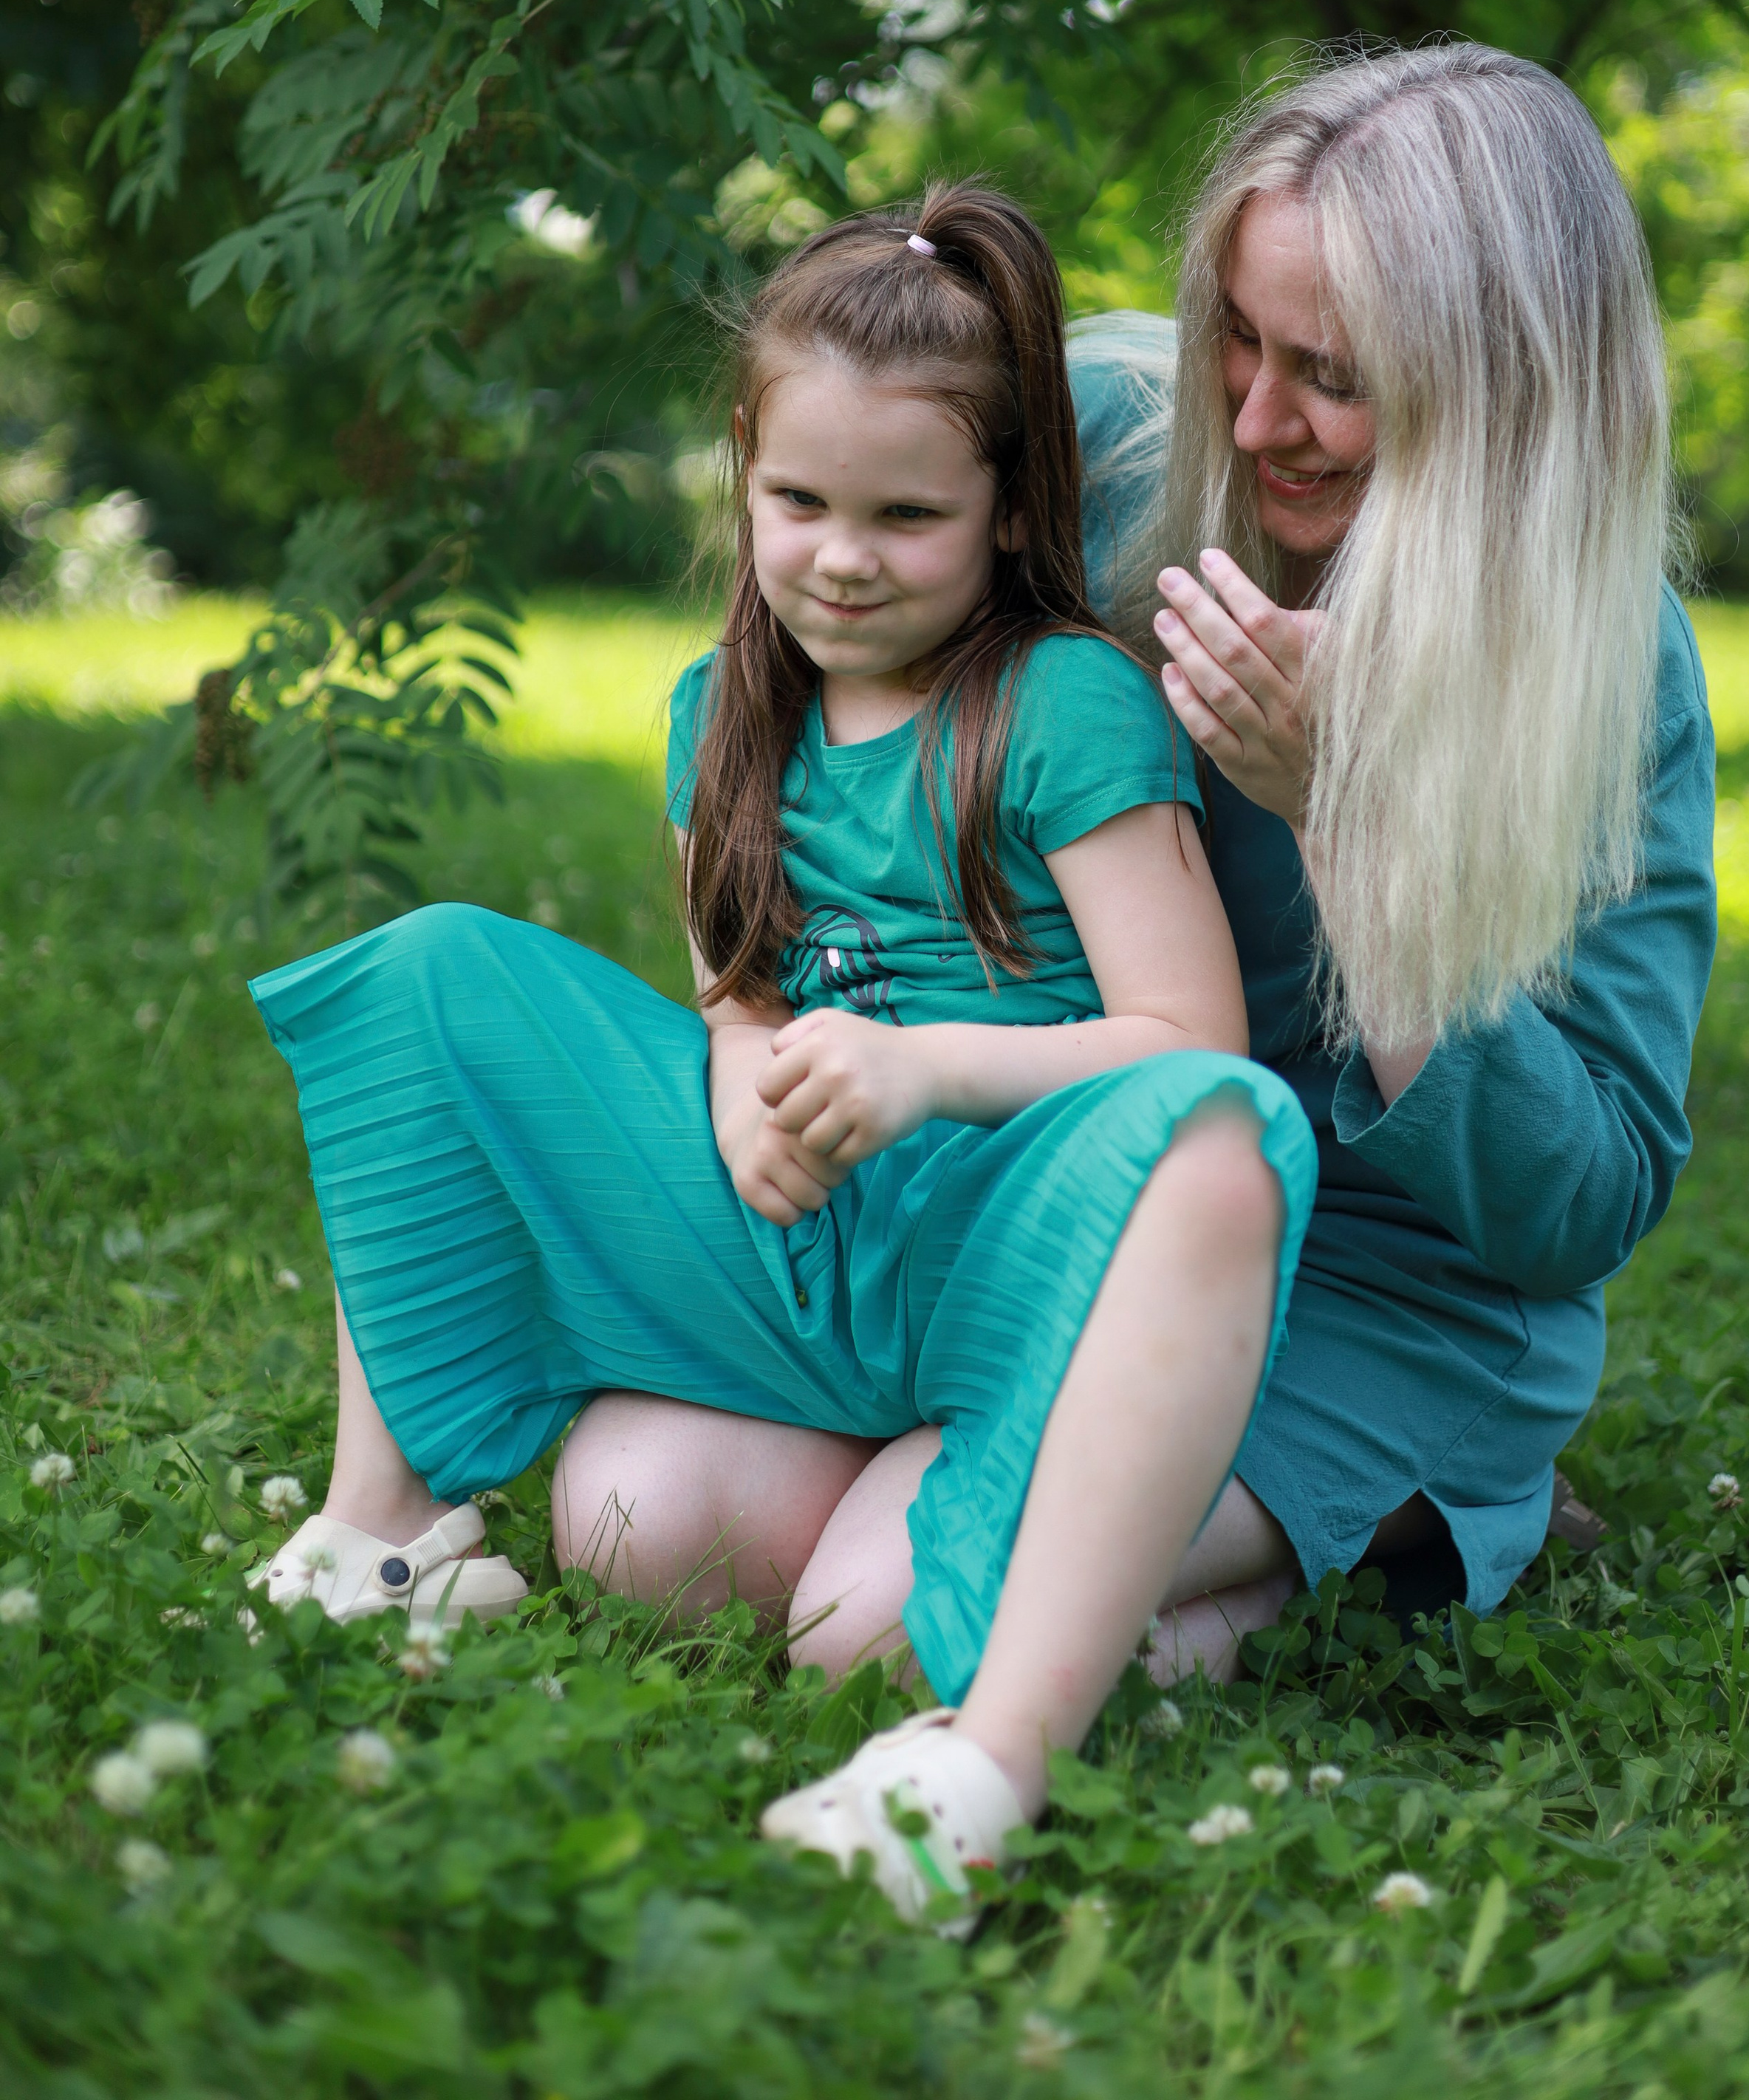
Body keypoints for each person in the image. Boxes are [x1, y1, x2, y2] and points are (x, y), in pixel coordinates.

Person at [248, 183, 1318, 1930]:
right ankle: (382, 1529)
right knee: (436, 978)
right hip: (795, 1246)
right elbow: (735, 989)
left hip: (998, 1263)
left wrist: (926, 1073)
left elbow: (1192, 1043)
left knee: (860, 1632)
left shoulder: (1061, 702)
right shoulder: (720, 713)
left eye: (906, 514)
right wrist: (745, 1064)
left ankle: (1034, 1720)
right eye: (797, 500)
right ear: (740, 477)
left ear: (1003, 511)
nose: (840, 553)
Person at [595, 41, 1717, 1689]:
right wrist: (760, 1038)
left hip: (1373, 1283)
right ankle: (1114, 1507)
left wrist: (1345, 825)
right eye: (1234, 339)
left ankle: (1417, 1496)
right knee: (651, 1533)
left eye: (1330, 372)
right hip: (1033, 1205)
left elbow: (1578, 1204)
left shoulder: (1606, 671)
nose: (1255, 416)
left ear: (1500, 393)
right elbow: (816, 584)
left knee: (882, 1632)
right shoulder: (1115, 444)